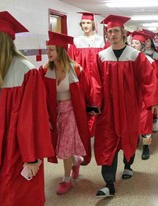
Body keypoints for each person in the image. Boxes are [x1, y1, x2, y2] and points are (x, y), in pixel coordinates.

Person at [0, 11, 54, 206]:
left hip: (15, 148)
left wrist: (32, 157)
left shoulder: (26, 71)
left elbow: (33, 118)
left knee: (16, 195)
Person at [94, 15, 158, 197]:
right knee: (107, 142)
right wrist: (95, 104)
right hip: (108, 110)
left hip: (130, 106)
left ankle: (128, 165)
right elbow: (96, 82)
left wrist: (153, 102)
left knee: (129, 137)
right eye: (110, 31)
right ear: (107, 35)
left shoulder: (135, 56)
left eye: (116, 31)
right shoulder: (101, 56)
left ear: (123, 33)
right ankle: (109, 183)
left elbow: (148, 80)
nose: (113, 34)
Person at [39, 31, 96, 195]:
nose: (48, 53)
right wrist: (45, 117)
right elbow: (40, 96)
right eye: (47, 49)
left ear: (61, 51)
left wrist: (90, 111)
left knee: (65, 144)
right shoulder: (44, 71)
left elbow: (86, 91)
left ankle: (66, 180)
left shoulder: (76, 69)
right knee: (59, 144)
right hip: (55, 111)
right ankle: (75, 160)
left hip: (72, 110)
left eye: (51, 49)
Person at [68, 12, 104, 165]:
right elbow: (70, 63)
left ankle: (96, 141)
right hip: (81, 81)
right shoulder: (76, 42)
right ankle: (84, 144)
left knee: (96, 109)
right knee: (82, 111)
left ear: (93, 24)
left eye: (88, 23)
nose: (86, 26)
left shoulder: (101, 41)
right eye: (83, 23)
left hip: (97, 82)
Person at [131, 30, 158, 160]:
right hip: (131, 96)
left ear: (143, 45)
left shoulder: (150, 60)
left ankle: (146, 147)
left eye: (137, 43)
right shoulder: (127, 58)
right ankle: (133, 142)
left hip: (144, 97)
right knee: (132, 122)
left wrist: (154, 100)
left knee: (145, 124)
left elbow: (154, 81)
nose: (133, 45)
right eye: (132, 42)